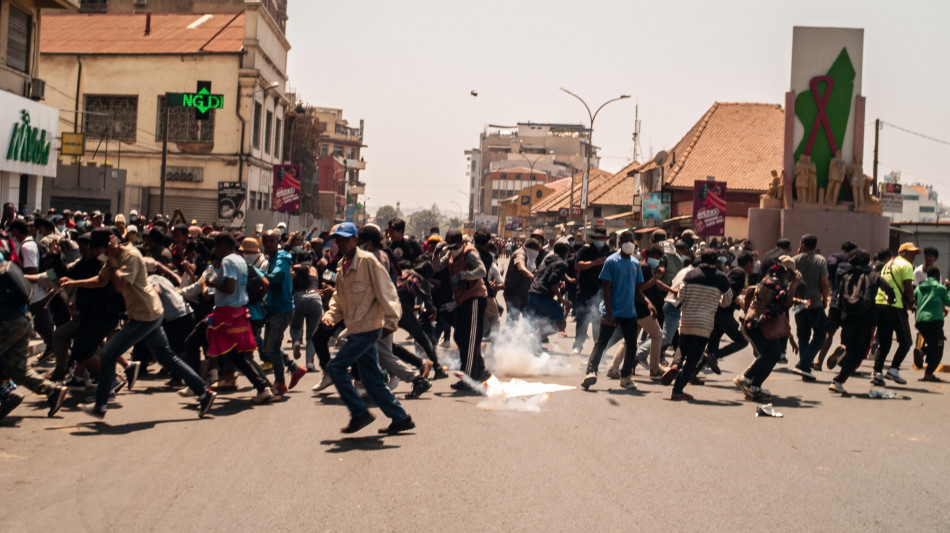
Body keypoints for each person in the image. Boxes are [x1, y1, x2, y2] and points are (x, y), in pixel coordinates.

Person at [60, 227, 216, 419]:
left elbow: (120, 285)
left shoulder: (130, 256)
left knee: (108, 354)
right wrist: (73, 282)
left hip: (145, 315)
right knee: (166, 357)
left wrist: (113, 261)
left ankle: (100, 405)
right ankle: (204, 393)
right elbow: (101, 280)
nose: (97, 253)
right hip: (146, 313)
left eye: (98, 249)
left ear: (108, 244)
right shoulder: (113, 257)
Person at [320, 222, 415, 434]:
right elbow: (339, 298)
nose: (341, 243)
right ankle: (400, 418)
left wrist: (391, 321)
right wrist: (330, 317)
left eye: (345, 239)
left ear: (356, 240)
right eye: (338, 240)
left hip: (368, 328)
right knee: (372, 380)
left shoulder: (368, 261)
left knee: (335, 368)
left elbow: (387, 291)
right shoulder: (342, 265)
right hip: (356, 328)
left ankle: (359, 413)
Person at [581, 231, 654, 391]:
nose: (629, 244)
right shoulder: (611, 261)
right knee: (601, 343)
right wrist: (609, 314)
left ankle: (625, 377)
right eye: (626, 240)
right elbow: (606, 289)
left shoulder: (635, 264)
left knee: (632, 346)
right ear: (620, 243)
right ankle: (590, 372)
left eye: (631, 241)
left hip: (629, 312)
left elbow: (637, 290)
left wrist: (648, 304)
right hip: (612, 311)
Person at [0, 256, 69, 418]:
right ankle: (52, 391)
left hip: (6, 323)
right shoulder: (3, 260)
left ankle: (5, 394)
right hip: (23, 319)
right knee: (17, 368)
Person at [733, 255, 803, 401]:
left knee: (772, 354)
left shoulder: (770, 280)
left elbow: (779, 308)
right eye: (791, 274)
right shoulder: (775, 284)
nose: (790, 277)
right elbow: (785, 304)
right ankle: (745, 378)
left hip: (756, 324)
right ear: (786, 272)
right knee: (770, 355)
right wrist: (795, 284)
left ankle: (754, 386)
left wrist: (789, 336)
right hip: (757, 325)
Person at [827, 249, 895, 393]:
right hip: (867, 319)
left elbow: (839, 299)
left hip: (848, 318)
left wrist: (839, 319)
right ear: (867, 261)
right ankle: (838, 380)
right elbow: (888, 288)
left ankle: (842, 357)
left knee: (848, 348)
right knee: (860, 353)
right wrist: (891, 299)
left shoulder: (846, 276)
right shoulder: (873, 275)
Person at [669, 251, 733, 401]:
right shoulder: (721, 277)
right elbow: (727, 301)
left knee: (682, 348)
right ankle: (677, 391)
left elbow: (681, 296)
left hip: (686, 321)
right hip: (703, 324)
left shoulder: (690, 275)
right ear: (716, 261)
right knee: (692, 359)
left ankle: (675, 364)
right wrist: (716, 301)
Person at [436, 229, 491, 388]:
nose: (452, 250)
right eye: (449, 247)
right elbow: (437, 266)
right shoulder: (451, 253)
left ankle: (469, 378)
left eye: (454, 246)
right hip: (462, 300)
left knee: (470, 339)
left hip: (475, 299)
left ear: (460, 243)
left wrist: (462, 275)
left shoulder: (469, 253)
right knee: (460, 336)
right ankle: (480, 370)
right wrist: (436, 253)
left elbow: (482, 271)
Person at [261, 230, 307, 394]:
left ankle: (280, 382)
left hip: (282, 310)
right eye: (265, 241)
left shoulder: (281, 259)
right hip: (273, 308)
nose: (268, 245)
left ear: (278, 242)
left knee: (272, 347)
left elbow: (275, 277)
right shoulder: (273, 257)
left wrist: (257, 272)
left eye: (271, 241)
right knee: (269, 347)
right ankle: (294, 369)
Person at [871, 242, 919, 386]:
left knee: (884, 342)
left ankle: (877, 372)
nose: (913, 256)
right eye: (911, 253)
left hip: (880, 303)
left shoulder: (888, 264)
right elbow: (908, 288)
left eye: (915, 254)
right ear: (902, 253)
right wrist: (912, 302)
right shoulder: (906, 265)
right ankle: (893, 369)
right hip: (895, 305)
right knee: (906, 341)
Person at [792, 234, 829, 381]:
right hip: (814, 303)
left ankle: (804, 366)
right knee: (820, 336)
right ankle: (804, 364)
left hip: (798, 304)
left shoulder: (795, 260)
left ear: (802, 244)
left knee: (803, 336)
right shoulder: (820, 260)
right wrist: (825, 300)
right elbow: (824, 283)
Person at [572, 228, 611, 354]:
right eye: (597, 238)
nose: (600, 240)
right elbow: (578, 265)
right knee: (582, 318)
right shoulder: (585, 249)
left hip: (601, 291)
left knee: (598, 320)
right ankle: (578, 345)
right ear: (593, 239)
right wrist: (594, 263)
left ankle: (598, 348)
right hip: (585, 289)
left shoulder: (608, 251)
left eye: (602, 238)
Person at [526, 242, 571, 341]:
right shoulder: (562, 264)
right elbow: (552, 283)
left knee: (539, 323)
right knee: (561, 324)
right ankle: (535, 338)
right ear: (565, 254)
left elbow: (543, 276)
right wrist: (562, 300)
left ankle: (533, 343)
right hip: (543, 297)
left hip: (532, 294)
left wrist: (557, 283)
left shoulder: (547, 260)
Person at [913, 266, 949, 382]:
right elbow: (948, 301)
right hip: (935, 321)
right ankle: (928, 374)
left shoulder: (919, 288)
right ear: (938, 276)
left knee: (933, 344)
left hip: (920, 321)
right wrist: (948, 289)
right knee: (938, 347)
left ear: (927, 276)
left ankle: (923, 351)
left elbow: (914, 302)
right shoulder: (940, 287)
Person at [503, 238, 540, 323]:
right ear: (530, 248)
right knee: (513, 321)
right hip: (514, 293)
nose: (537, 252)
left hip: (526, 293)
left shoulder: (530, 257)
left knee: (529, 320)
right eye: (535, 250)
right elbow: (521, 267)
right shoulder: (520, 253)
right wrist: (533, 277)